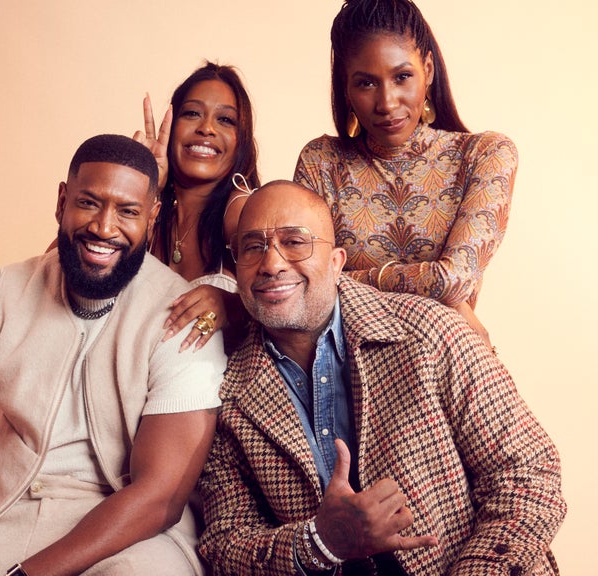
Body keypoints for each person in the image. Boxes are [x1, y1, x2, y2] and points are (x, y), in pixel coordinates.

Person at [0, 134, 226, 576]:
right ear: (62, 202)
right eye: (89, 203)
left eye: (128, 211)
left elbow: (160, 496)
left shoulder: (182, 316)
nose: (104, 227)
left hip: (127, 535)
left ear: (152, 218)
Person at [198, 180, 565, 575]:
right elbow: (224, 541)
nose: (271, 264)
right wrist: (319, 543)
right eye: (252, 247)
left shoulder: (430, 331)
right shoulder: (226, 390)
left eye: (295, 241)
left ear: (337, 261)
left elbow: (529, 475)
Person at [293, 0, 518, 348]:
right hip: (342, 375)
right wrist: (439, 291)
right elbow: (303, 288)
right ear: (346, 88)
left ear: (427, 69)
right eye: (366, 83)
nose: (387, 102)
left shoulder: (484, 155)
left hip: (446, 370)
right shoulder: (321, 163)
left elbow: (453, 280)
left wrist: (344, 276)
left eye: (402, 77)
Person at [135, 61, 260, 353]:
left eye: (225, 120)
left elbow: (292, 286)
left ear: (241, 139)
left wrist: (231, 304)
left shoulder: (241, 210)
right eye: (192, 114)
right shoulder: (151, 213)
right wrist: (143, 187)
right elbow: (59, 263)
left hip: (225, 395)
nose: (206, 128)